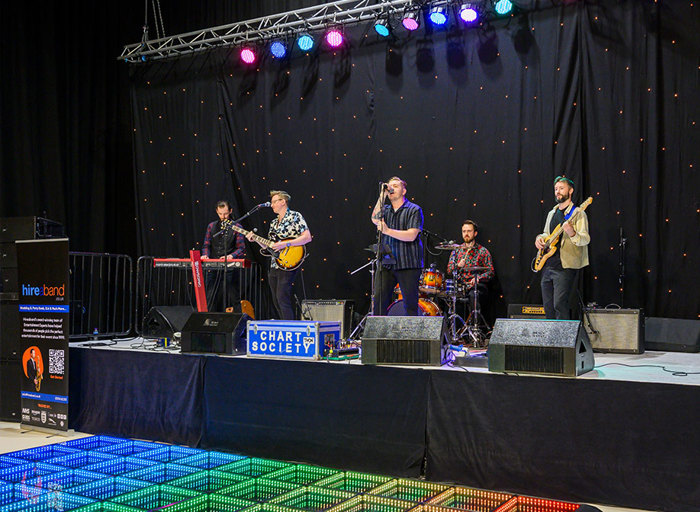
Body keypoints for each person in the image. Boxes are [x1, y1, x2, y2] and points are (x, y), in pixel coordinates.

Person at [247, 190, 312, 320]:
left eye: (274, 202)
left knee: (282, 296)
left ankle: (291, 329)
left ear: (283, 201)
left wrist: (286, 244)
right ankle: (283, 325)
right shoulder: (273, 223)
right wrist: (256, 239)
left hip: (289, 260)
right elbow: (269, 246)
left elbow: (307, 237)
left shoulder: (295, 216)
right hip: (274, 262)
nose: (271, 205)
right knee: (276, 299)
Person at [535, 176, 590, 319]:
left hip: (565, 266)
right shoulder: (552, 213)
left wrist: (572, 232)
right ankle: (552, 339)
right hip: (547, 265)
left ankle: (563, 340)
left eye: (561, 188)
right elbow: (546, 233)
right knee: (548, 306)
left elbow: (585, 239)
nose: (558, 192)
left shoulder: (578, 213)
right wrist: (539, 239)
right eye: (556, 189)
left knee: (559, 304)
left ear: (570, 190)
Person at [371, 176, 424, 316]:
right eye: (390, 185)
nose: (392, 188)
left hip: (408, 263)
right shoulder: (385, 209)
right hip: (387, 264)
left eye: (396, 185)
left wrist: (388, 231)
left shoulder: (414, 209)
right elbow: (374, 218)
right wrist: (382, 195)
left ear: (404, 191)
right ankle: (379, 335)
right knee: (379, 302)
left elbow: (411, 235)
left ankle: (411, 336)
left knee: (410, 304)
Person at [202, 200, 246, 311]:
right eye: (220, 214)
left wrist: (231, 256)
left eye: (226, 213)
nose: (223, 216)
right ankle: (209, 322)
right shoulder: (211, 226)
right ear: (217, 212)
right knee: (210, 296)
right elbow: (206, 245)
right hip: (213, 266)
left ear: (230, 211)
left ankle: (237, 323)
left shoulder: (237, 227)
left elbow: (241, 248)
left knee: (234, 296)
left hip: (230, 266)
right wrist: (205, 255)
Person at [446, 220, 494, 315]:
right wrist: (458, 266)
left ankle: (474, 326)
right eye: (464, 231)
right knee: (446, 295)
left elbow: (490, 271)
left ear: (475, 233)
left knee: (473, 294)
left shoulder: (483, 251)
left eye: (469, 231)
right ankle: (454, 327)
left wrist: (478, 278)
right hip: (460, 286)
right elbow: (449, 270)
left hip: (476, 286)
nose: (466, 234)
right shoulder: (457, 251)